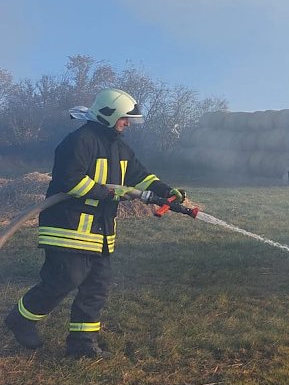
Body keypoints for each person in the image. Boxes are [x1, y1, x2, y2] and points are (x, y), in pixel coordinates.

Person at [4, 88, 186, 359]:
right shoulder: (79, 141)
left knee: (96, 287)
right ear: (108, 114)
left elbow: (141, 177)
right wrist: (114, 192)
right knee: (64, 279)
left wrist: (165, 190)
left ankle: (82, 345)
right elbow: (71, 182)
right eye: (125, 118)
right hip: (68, 227)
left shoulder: (120, 146)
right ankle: (21, 319)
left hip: (100, 232)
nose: (127, 124)